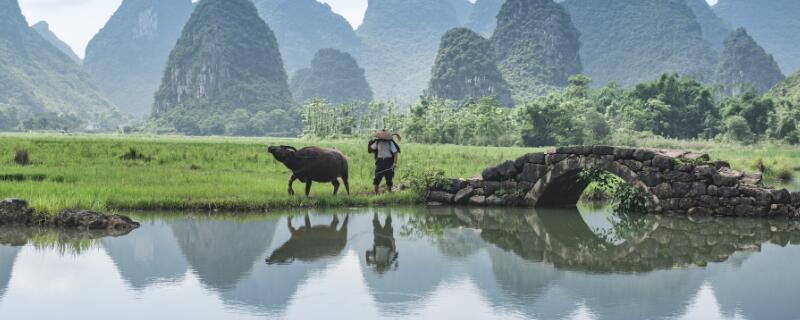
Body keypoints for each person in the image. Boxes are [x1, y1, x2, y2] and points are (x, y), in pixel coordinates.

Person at [368, 130, 401, 194]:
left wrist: (394, 163)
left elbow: (395, 153)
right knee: (377, 177)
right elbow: (371, 150)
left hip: (388, 161)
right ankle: (376, 193)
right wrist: (369, 144)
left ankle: (389, 192)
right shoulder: (377, 142)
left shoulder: (390, 143)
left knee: (389, 177)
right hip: (379, 161)